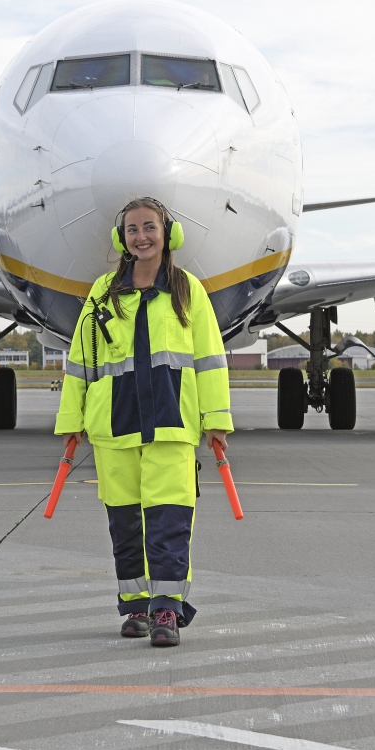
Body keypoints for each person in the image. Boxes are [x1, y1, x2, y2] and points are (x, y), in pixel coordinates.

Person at [54, 197, 232, 647]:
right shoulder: (102, 292)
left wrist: (216, 419)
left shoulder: (188, 290)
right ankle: (135, 607)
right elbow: (80, 362)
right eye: (132, 229)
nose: (141, 237)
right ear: (121, 238)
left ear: (168, 234)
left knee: (170, 519)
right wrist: (71, 419)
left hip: (171, 424)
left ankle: (167, 610)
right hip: (113, 426)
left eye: (149, 227)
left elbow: (211, 360)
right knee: (125, 522)